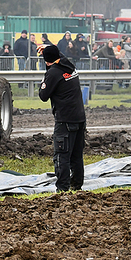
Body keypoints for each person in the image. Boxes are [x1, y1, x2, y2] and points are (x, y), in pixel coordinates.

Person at [38, 44, 86, 192]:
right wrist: (49, 49)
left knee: (62, 156)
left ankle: (62, 189)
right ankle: (77, 186)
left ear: (46, 61)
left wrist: (43, 82)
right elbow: (59, 56)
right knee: (76, 156)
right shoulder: (69, 65)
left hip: (65, 120)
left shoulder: (53, 73)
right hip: (79, 118)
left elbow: (43, 96)